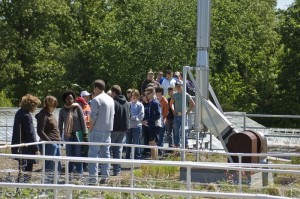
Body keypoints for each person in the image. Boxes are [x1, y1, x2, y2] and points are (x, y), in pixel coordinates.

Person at [88, 79, 114, 185]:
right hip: (108, 130)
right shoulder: (111, 99)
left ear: (97, 88)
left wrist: (89, 129)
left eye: (94, 88)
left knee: (93, 155)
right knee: (106, 155)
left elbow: (93, 117)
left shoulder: (96, 100)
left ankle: (93, 179)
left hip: (97, 130)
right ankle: (105, 177)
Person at [11, 94, 41, 183]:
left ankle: (19, 190)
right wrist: (36, 149)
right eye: (35, 106)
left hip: (18, 146)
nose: (35, 108)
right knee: (27, 172)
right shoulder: (26, 116)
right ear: (31, 105)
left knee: (21, 170)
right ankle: (23, 190)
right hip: (26, 148)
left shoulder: (19, 113)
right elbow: (31, 134)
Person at [59, 90, 87, 179]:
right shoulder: (62, 110)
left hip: (78, 134)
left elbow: (83, 121)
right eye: (68, 99)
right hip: (68, 135)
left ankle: (80, 174)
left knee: (78, 154)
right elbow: (60, 124)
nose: (70, 100)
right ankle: (69, 174)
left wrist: (85, 133)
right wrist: (60, 137)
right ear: (65, 100)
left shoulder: (77, 107)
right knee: (69, 154)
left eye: (71, 98)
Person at [35, 96, 61, 183]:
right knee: (49, 164)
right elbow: (40, 131)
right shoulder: (43, 115)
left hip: (56, 142)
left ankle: (55, 181)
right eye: (52, 104)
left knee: (57, 163)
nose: (54, 107)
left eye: (55, 105)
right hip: (49, 144)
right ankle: (47, 182)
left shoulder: (51, 114)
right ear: (47, 104)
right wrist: (50, 142)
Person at [110, 85, 130, 176]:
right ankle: (117, 170)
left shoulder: (113, 102)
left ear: (114, 92)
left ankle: (105, 169)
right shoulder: (127, 103)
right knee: (118, 149)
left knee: (108, 149)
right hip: (124, 128)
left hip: (115, 128)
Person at [171, 81, 195, 148]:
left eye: (179, 86)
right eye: (177, 86)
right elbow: (171, 103)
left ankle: (185, 144)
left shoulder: (186, 95)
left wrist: (187, 112)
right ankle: (176, 144)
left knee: (184, 131)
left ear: (182, 87)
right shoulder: (174, 95)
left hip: (183, 115)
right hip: (176, 115)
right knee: (176, 131)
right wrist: (173, 109)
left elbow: (192, 104)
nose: (178, 88)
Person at [142, 87, 162, 160]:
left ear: (153, 93)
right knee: (152, 143)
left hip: (154, 125)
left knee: (152, 142)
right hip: (151, 125)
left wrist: (148, 121)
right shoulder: (151, 102)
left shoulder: (155, 102)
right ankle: (154, 159)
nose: (147, 95)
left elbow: (158, 115)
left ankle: (154, 159)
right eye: (146, 93)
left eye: (148, 93)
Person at [125, 89, 144, 159]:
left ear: (138, 96)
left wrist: (134, 118)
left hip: (137, 127)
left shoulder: (140, 105)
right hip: (129, 126)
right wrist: (131, 117)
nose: (133, 97)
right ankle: (127, 156)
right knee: (128, 142)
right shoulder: (128, 104)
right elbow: (126, 114)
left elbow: (141, 115)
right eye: (132, 95)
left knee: (136, 142)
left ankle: (137, 156)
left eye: (135, 95)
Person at [75, 96, 91, 172]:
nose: (83, 105)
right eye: (82, 104)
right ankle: (79, 165)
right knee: (79, 148)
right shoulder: (75, 110)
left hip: (86, 130)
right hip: (78, 131)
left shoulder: (87, 107)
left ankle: (85, 164)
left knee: (86, 148)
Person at [155, 87, 168, 153]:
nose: (156, 93)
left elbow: (166, 112)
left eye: (157, 92)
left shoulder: (164, 101)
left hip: (162, 120)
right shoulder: (156, 100)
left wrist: (164, 118)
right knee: (157, 135)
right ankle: (157, 149)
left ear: (160, 92)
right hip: (156, 120)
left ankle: (160, 150)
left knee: (161, 135)